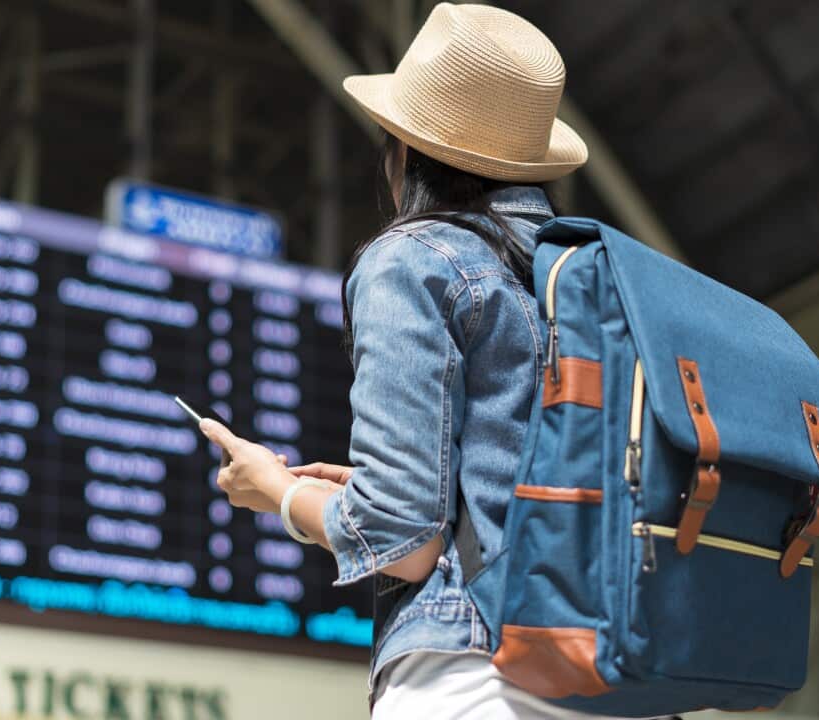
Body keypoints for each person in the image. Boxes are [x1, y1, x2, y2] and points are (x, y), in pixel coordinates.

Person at [199, 4, 669, 719]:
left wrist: (278, 494)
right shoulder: (601, 274)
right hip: (631, 676)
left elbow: (405, 541)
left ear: (406, 150)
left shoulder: (416, 259)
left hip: (483, 680)